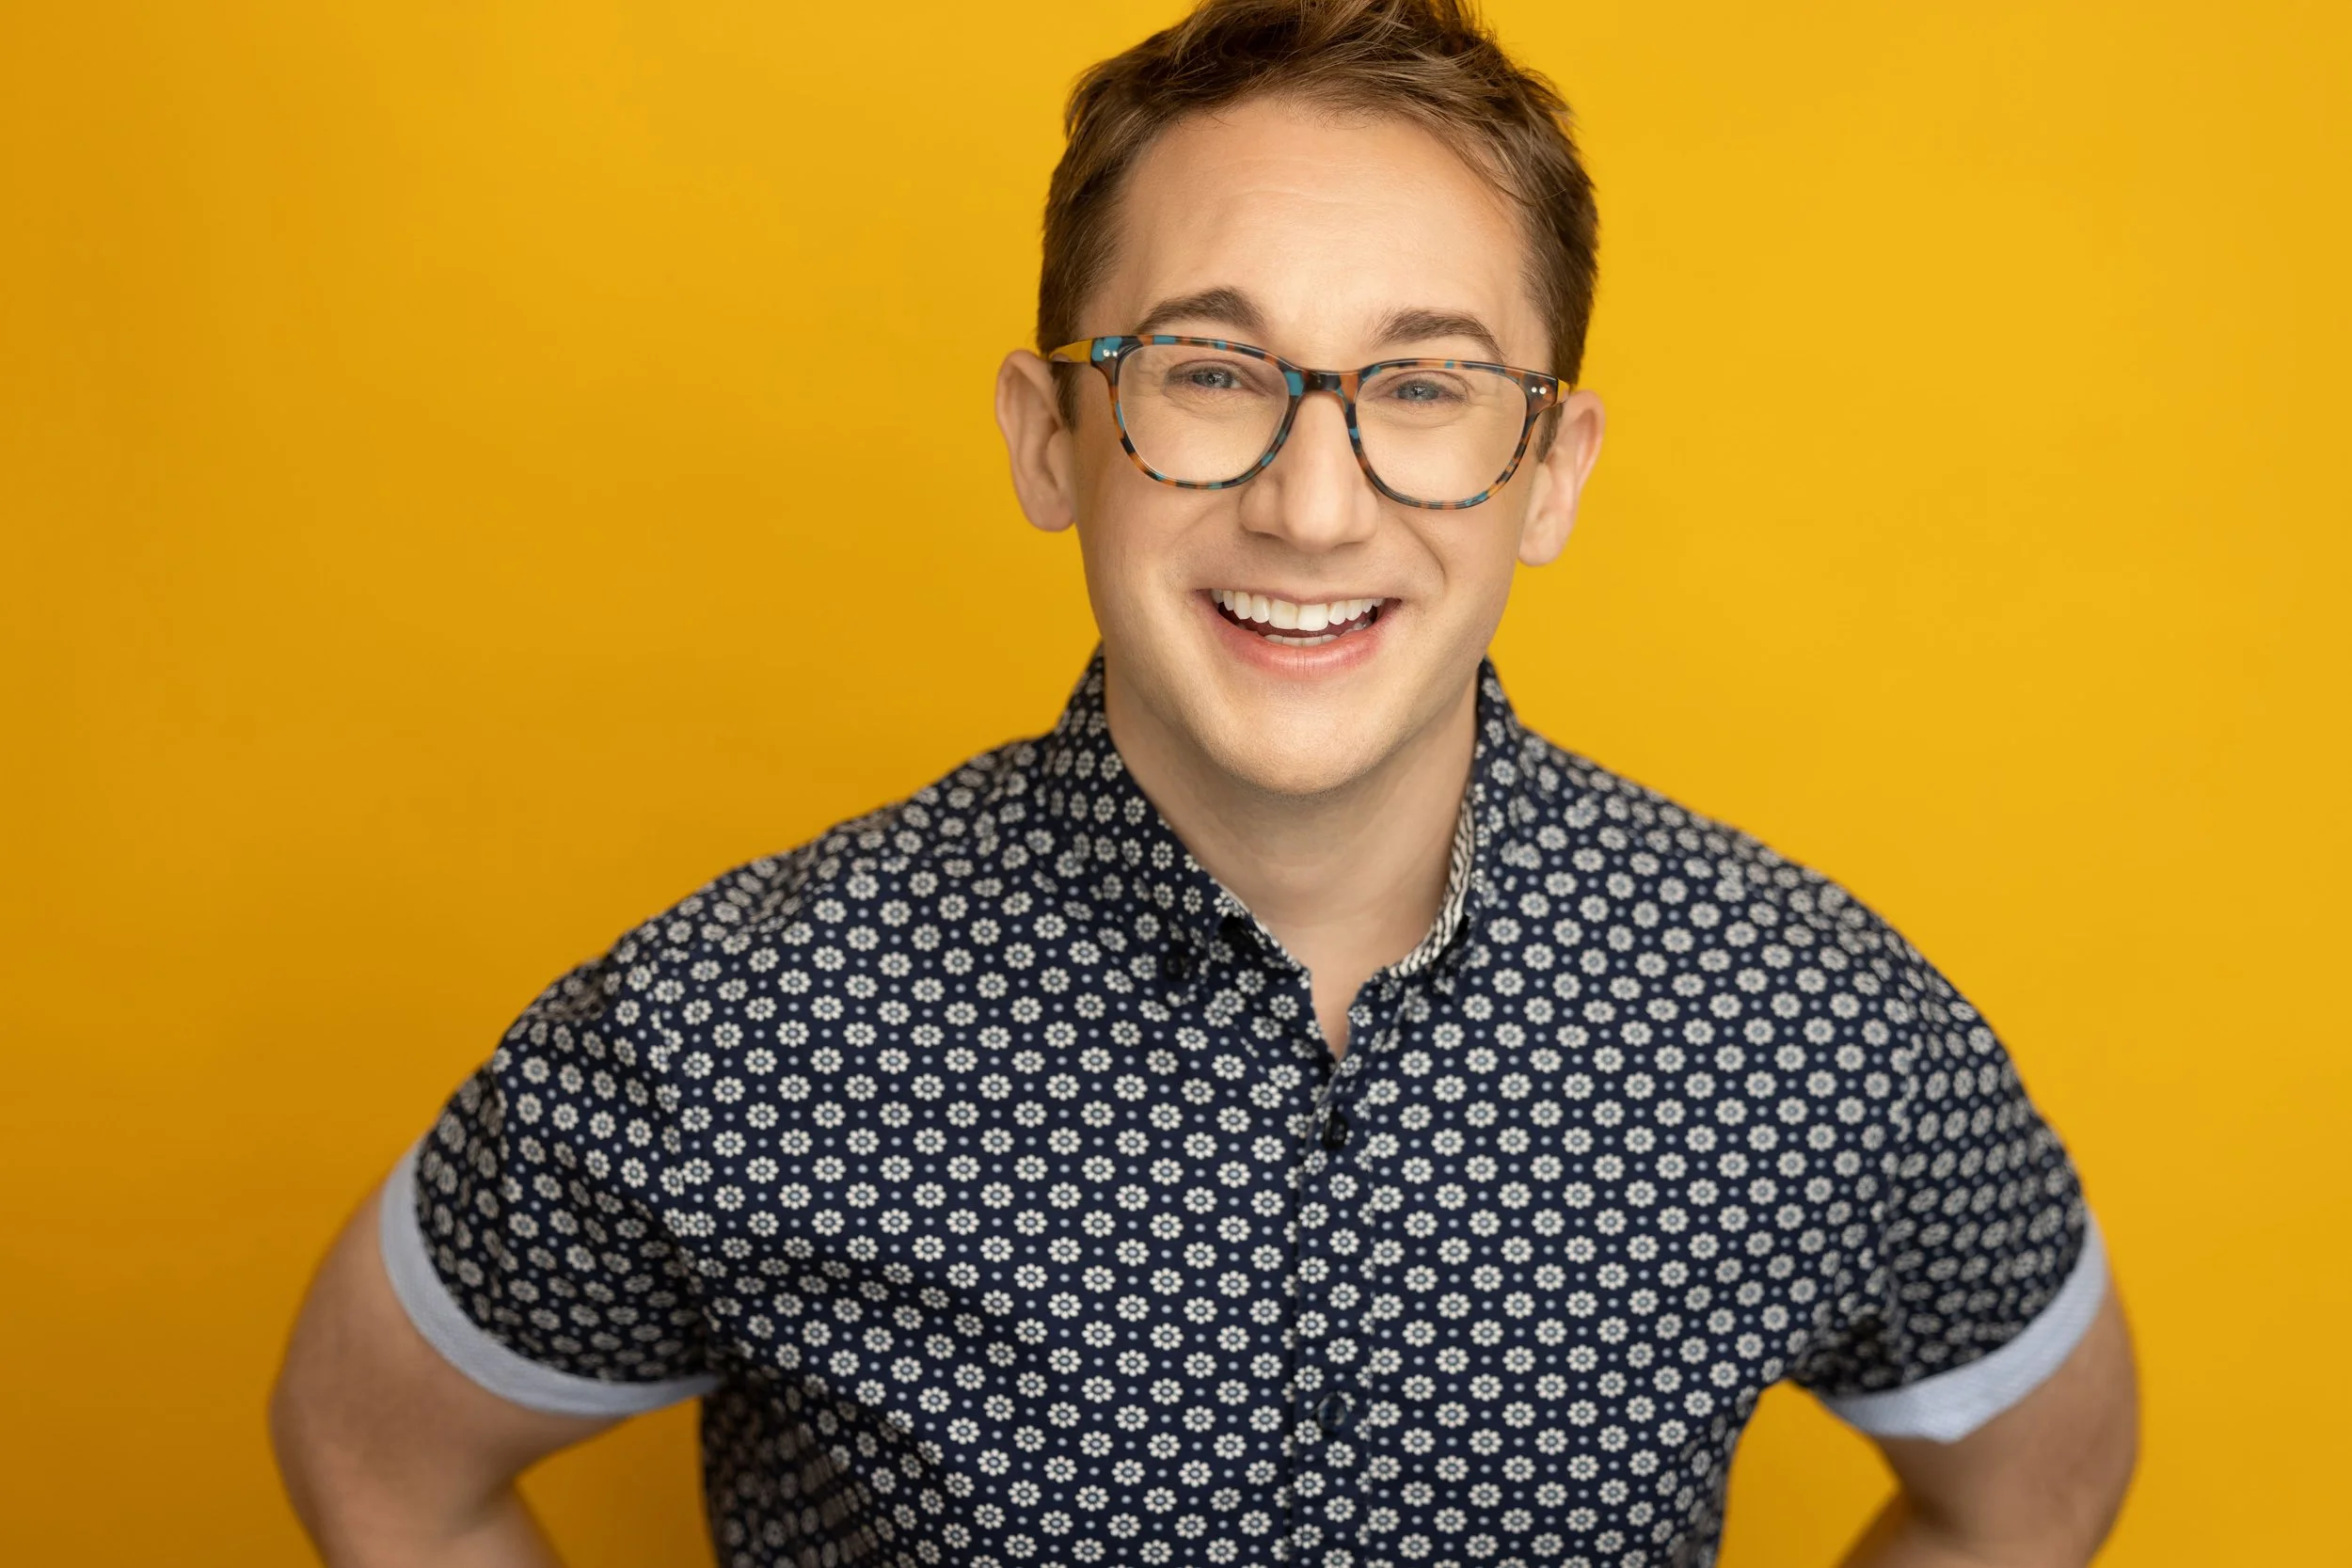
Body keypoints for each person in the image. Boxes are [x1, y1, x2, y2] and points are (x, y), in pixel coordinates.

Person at [268, 2, 2139, 1564]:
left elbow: (2032, 1479)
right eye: (1207, 369)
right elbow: (376, 1445)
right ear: (1050, 435)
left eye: (1423, 387)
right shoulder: (730, 1027)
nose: (1310, 505)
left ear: (1549, 471)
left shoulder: (1802, 1023)